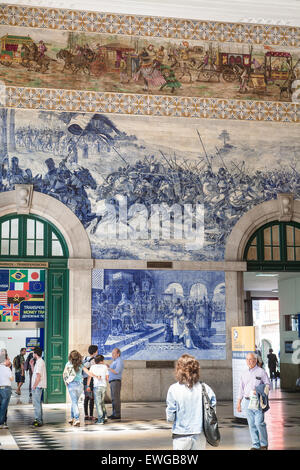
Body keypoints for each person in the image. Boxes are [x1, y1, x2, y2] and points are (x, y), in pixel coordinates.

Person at [166, 354, 216, 450]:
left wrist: (171, 419)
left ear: (179, 370)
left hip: (181, 434)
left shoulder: (173, 389)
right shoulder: (204, 387)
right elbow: (212, 409)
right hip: (200, 433)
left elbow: (170, 416)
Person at [237, 352, 271, 450]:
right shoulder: (244, 374)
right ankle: (255, 445)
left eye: (251, 359)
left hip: (258, 401)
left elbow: (268, 385)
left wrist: (259, 389)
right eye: (247, 359)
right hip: (247, 402)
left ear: (255, 360)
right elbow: (241, 389)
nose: (249, 361)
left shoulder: (261, 372)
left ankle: (264, 444)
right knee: (251, 424)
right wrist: (239, 403)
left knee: (259, 423)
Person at [63, 350, 100, 427]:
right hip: (80, 385)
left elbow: (64, 374)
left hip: (71, 385)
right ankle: (72, 417)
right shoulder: (81, 364)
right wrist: (96, 376)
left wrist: (66, 382)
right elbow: (89, 373)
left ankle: (76, 418)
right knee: (75, 401)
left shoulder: (68, 364)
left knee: (74, 402)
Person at [87, 355, 109, 425]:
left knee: (98, 403)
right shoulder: (105, 367)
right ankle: (105, 416)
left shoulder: (92, 367)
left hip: (96, 386)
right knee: (102, 402)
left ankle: (100, 419)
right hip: (103, 386)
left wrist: (88, 386)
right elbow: (107, 378)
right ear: (101, 361)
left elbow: (89, 377)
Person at [31, 347, 47, 427]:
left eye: (33, 353)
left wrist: (34, 386)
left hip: (37, 386)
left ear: (36, 354)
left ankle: (38, 420)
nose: (33, 354)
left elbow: (38, 376)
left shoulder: (40, 362)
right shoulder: (38, 362)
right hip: (37, 386)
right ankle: (38, 419)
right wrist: (31, 365)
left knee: (36, 404)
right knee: (38, 403)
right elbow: (35, 372)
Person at [82, 345, 98, 421]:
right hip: (90, 380)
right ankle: (91, 415)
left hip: (84, 380)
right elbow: (94, 371)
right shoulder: (93, 360)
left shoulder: (84, 358)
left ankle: (86, 415)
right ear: (95, 352)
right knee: (91, 398)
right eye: (97, 351)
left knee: (86, 397)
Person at [108, 348, 124, 420]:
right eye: (112, 353)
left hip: (116, 381)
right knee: (113, 398)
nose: (112, 355)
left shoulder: (119, 361)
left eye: (114, 353)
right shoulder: (115, 361)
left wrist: (108, 368)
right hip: (112, 381)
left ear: (118, 354)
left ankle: (117, 414)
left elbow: (117, 371)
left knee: (116, 398)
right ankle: (114, 413)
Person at [0, 351, 13, 429]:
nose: (9, 360)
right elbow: (11, 379)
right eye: (8, 359)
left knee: (1, 406)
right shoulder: (6, 369)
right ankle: (1, 423)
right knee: (4, 407)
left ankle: (3, 421)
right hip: (6, 389)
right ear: (5, 360)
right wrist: (9, 368)